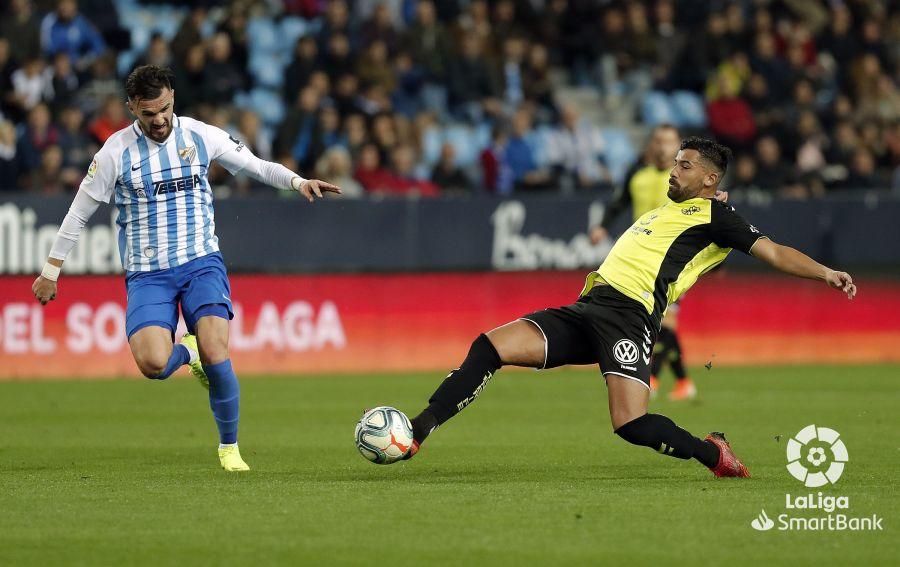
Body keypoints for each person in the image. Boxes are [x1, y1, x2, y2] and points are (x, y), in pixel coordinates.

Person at [394, 137, 856, 478]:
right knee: (491, 346)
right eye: (675, 162)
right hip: (589, 305)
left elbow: (773, 252)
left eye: (685, 166)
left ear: (710, 179)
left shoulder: (718, 217)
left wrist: (826, 273)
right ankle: (417, 431)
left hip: (630, 317)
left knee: (630, 423)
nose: (673, 171)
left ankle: (713, 453)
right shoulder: (663, 208)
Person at [30, 66, 341, 472]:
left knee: (216, 348)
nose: (159, 120)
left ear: (173, 97)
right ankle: (186, 352)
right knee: (153, 364)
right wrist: (51, 270)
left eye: (164, 109)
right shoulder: (114, 153)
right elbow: (78, 214)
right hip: (148, 274)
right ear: (131, 109)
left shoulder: (200, 135)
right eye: (148, 114)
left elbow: (256, 165)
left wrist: (298, 181)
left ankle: (229, 448)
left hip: (200, 263)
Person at [589, 124, 699, 400]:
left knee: (664, 322)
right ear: (652, 144)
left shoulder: (685, 180)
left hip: (673, 261)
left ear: (678, 147)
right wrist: (602, 226)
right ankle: (681, 382)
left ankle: (654, 378)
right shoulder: (637, 175)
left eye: (669, 141)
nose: (663, 146)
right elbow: (619, 202)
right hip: (639, 261)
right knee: (658, 323)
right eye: (659, 141)